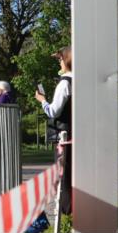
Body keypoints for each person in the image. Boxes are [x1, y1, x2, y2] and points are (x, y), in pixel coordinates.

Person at [35, 46, 73, 215]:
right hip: (78, 131)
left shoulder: (65, 83)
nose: (59, 62)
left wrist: (42, 101)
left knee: (64, 173)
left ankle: (65, 210)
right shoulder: (82, 80)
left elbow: (53, 111)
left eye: (60, 59)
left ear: (67, 60)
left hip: (64, 134)